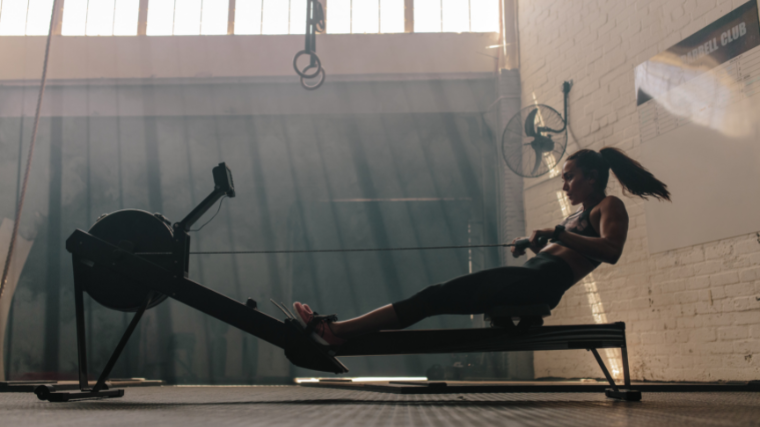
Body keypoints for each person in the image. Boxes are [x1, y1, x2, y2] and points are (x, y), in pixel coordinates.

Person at [293, 147, 670, 346]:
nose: (564, 185)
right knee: (433, 298)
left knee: (432, 297)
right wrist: (535, 244)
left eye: (569, 178)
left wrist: (556, 233)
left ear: (591, 178)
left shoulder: (609, 206)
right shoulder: (577, 216)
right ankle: (340, 332)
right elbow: (568, 250)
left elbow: (611, 250)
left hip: (537, 287)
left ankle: (337, 331)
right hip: (529, 279)